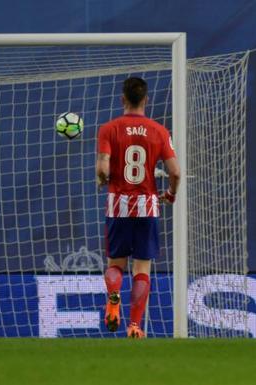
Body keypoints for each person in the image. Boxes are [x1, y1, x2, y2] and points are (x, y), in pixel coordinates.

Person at [96, 77, 180, 338]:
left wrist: (102, 179)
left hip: (118, 206)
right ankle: (134, 326)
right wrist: (170, 194)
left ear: (123, 99)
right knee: (141, 269)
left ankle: (113, 298)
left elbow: (102, 168)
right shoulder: (159, 131)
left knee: (115, 264)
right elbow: (175, 172)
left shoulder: (108, 129)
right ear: (146, 100)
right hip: (147, 206)